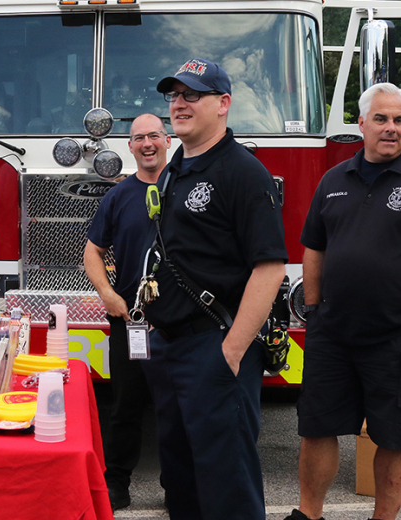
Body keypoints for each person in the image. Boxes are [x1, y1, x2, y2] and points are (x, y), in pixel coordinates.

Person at [288, 83, 401, 520]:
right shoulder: (334, 180)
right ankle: (308, 513)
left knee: (396, 437)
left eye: (399, 120)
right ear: (362, 124)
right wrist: (313, 310)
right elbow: (313, 245)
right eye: (381, 119)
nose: (391, 128)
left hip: (399, 338)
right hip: (332, 334)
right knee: (317, 428)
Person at [138, 58, 287, 520]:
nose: (179, 104)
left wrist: (234, 349)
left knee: (228, 487)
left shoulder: (243, 172)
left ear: (223, 104)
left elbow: (271, 268)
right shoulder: (174, 169)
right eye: (174, 96)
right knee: (181, 482)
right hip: (170, 348)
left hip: (215, 345)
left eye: (192, 95)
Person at [84, 113, 171, 510]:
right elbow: (93, 251)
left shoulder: (185, 188)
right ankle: (116, 483)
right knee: (126, 405)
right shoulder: (118, 196)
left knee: (177, 406)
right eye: (139, 138)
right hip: (131, 320)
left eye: (154, 135)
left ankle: (177, 485)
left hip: (181, 322)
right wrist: (108, 295)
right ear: (131, 146)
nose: (148, 143)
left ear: (167, 140)